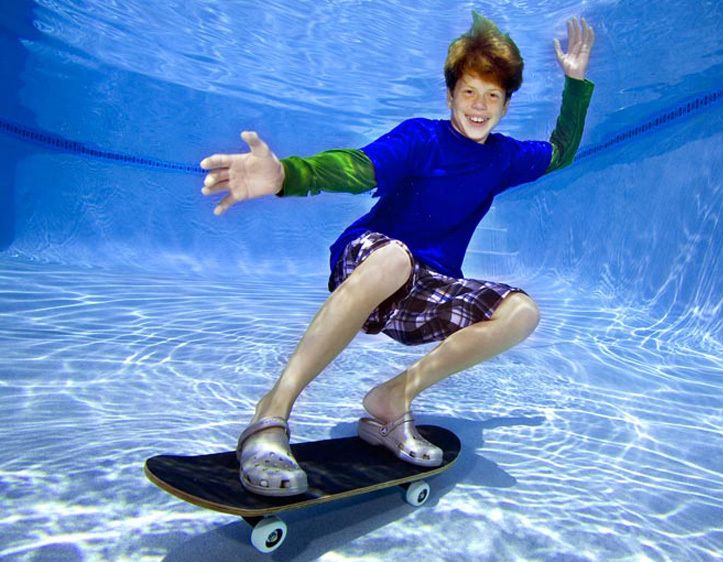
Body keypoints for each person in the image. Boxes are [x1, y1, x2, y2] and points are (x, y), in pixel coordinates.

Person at [200, 12, 595, 496]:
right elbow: (359, 168)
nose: (479, 105)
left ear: (506, 106)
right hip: (371, 259)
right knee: (396, 259)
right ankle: (271, 413)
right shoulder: (421, 138)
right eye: (469, 91)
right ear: (450, 95)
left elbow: (561, 152)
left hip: (428, 286)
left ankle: (394, 398)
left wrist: (575, 84)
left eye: (493, 96)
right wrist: (289, 175)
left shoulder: (503, 157)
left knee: (522, 313)